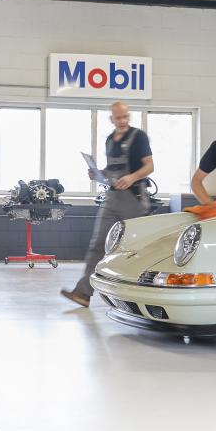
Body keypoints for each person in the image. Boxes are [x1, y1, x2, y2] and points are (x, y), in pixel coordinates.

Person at [62, 102, 153, 307]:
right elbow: (112, 169)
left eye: (125, 117)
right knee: (97, 244)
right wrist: (98, 173)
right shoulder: (110, 140)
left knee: (135, 249)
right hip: (112, 198)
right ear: (111, 119)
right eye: (118, 118)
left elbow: (149, 166)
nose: (122, 121)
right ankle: (83, 293)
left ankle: (140, 294)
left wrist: (132, 177)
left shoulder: (139, 137)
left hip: (134, 199)